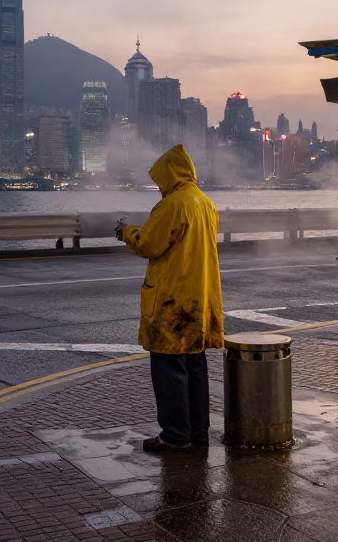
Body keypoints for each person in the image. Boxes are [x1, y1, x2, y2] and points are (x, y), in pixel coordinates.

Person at [115, 145, 224, 452]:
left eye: (160, 177)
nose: (158, 184)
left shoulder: (173, 204)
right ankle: (198, 430)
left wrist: (127, 232)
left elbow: (149, 244)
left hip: (172, 301)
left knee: (169, 368)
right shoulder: (205, 203)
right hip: (199, 298)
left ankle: (175, 434)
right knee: (195, 365)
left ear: (169, 173)